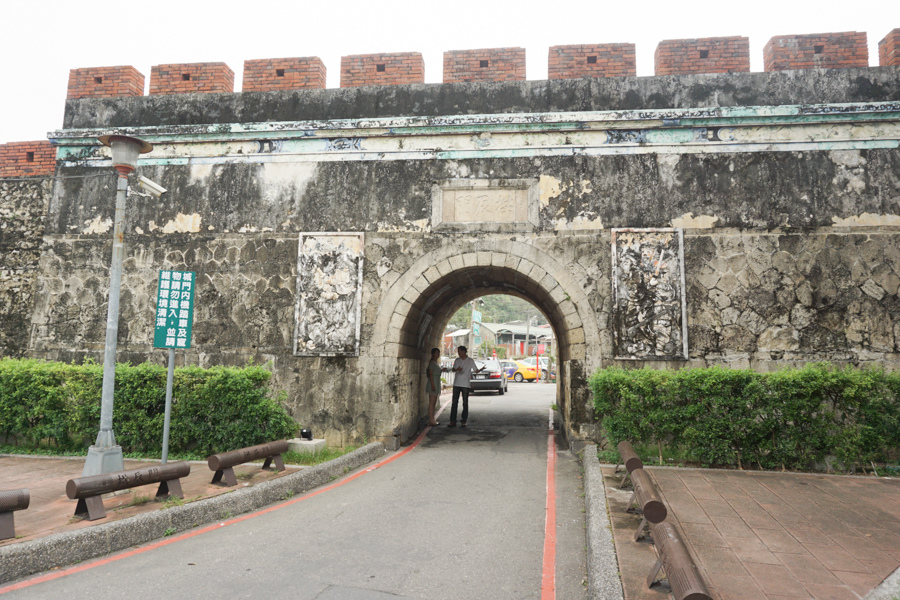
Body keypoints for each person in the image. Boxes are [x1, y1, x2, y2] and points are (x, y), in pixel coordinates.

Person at [449, 345, 483, 428]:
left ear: (464, 352)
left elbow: (476, 370)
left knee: (465, 403)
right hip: (457, 383)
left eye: (459, 351)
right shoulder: (457, 360)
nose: (458, 353)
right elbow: (453, 369)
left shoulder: (470, 361)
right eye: (458, 352)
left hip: (465, 384)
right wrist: (457, 369)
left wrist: (481, 369)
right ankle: (453, 420)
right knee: (454, 403)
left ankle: (464, 420)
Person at [425, 347, 442, 426]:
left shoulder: (435, 363)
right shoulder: (432, 363)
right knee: (432, 402)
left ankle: (432, 419)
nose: (438, 354)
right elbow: (430, 374)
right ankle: (431, 420)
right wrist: (432, 385)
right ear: (433, 354)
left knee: (434, 402)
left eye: (438, 353)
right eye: (436, 353)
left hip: (436, 383)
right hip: (433, 383)